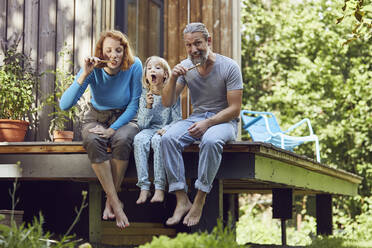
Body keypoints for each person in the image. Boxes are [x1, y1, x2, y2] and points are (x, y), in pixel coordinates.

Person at [161, 22, 243, 227]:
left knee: (210, 140)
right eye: (188, 45)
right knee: (168, 138)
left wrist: (208, 123)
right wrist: (172, 77)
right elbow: (167, 102)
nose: (193, 49)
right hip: (197, 118)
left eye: (197, 43)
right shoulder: (186, 67)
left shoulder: (229, 67)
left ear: (209, 41)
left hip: (224, 120)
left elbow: (234, 109)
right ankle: (182, 199)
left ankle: (199, 199)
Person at [60, 30, 142, 229]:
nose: (113, 55)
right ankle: (116, 202)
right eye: (108, 51)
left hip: (124, 118)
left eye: (118, 50)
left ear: (124, 51)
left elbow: (134, 104)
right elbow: (65, 104)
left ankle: (110, 201)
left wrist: (112, 129)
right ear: (101, 52)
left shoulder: (134, 65)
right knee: (92, 140)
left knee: (123, 140)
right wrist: (85, 73)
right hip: (95, 117)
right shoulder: (93, 69)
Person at [133, 56, 181, 204]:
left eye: (158, 68)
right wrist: (148, 106)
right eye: (149, 68)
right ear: (147, 76)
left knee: (157, 140)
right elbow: (141, 125)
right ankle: (144, 187)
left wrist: (167, 128)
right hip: (149, 129)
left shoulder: (172, 93)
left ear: (166, 74)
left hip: (165, 129)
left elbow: (178, 120)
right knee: (139, 139)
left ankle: (159, 187)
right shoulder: (143, 95)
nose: (153, 70)